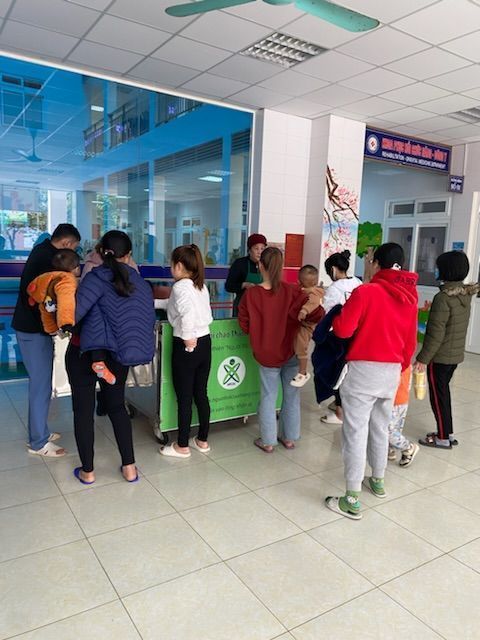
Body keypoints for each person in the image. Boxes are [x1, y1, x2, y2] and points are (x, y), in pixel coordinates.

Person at [325, 243, 418, 520]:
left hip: (364, 370)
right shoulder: (410, 296)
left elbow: (343, 330)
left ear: (376, 263)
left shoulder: (366, 292)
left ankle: (352, 499)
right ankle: (377, 481)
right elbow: (410, 342)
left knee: (355, 432)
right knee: (380, 427)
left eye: (369, 260)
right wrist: (398, 367)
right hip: (392, 371)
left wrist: (340, 314)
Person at [66, 230, 155, 484]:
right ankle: (130, 468)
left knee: (83, 412)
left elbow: (74, 316)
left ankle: (88, 472)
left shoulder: (94, 278)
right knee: (116, 407)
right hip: (118, 355)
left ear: (100, 252)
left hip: (83, 352)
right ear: (129, 255)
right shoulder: (139, 283)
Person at [238, 247, 324, 452]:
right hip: (291, 351)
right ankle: (289, 437)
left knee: (268, 396)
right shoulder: (293, 291)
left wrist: (260, 330)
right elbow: (317, 313)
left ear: (260, 266)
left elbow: (244, 325)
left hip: (267, 353)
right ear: (281, 266)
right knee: (292, 395)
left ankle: (268, 441)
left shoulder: (251, 295)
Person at [13, 223, 81, 457]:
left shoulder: (43, 251)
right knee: (40, 384)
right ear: (66, 243)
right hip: (32, 330)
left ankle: (40, 430)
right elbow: (50, 298)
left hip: (33, 329)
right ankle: (38, 442)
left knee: (42, 383)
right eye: (74, 249)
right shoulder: (47, 260)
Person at [415, 251, 479, 449]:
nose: (436, 270)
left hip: (440, 357)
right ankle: (447, 433)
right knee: (443, 395)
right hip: (454, 356)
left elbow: (436, 335)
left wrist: (422, 359)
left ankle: (442, 438)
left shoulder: (443, 298)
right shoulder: (465, 295)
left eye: (438, 267)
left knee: (438, 397)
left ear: (446, 270)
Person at [159, 244, 213, 458]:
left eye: (172, 264)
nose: (171, 268)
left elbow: (187, 312)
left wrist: (188, 339)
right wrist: (154, 303)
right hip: (205, 342)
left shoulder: (180, 286)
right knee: (201, 393)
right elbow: (177, 305)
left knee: (184, 397)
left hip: (187, 345)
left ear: (179, 265)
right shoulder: (199, 285)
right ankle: (202, 440)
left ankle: (182, 445)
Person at [321, 250, 362, 425]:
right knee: (348, 371)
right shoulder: (358, 282)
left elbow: (327, 314)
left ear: (333, 269)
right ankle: (343, 404)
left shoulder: (335, 288)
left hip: (338, 335)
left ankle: (340, 412)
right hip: (356, 333)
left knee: (337, 371)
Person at [27, 249, 80, 336]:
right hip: (64, 322)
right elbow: (65, 302)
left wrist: (51, 328)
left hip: (52, 315)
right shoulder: (67, 280)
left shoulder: (48, 279)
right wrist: (66, 324)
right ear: (76, 269)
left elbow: (44, 307)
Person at [291, 264, 324, 387]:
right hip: (307, 324)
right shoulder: (309, 290)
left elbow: (312, 303)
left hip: (307, 326)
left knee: (301, 347)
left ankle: (303, 372)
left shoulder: (314, 293)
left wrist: (303, 311)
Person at [225, 233, 267, 316]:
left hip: (261, 307)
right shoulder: (240, 264)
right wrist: (244, 285)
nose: (259, 252)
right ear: (249, 250)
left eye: (262, 249)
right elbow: (228, 286)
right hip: (242, 306)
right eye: (256, 248)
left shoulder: (267, 265)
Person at [387, 365, 419, 467]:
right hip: (401, 399)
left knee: (386, 429)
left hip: (394, 399)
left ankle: (408, 447)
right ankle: (390, 449)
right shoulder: (406, 362)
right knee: (395, 427)